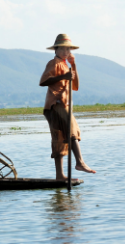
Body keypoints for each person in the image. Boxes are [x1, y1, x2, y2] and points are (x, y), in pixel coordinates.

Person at [39, 34, 96, 180]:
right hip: (55, 104)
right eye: (63, 49)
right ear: (56, 50)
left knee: (61, 138)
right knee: (72, 131)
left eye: (68, 49)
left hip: (63, 105)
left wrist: (73, 65)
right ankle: (80, 162)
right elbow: (43, 81)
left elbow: (75, 85)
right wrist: (62, 77)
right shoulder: (54, 63)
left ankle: (60, 176)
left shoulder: (66, 65)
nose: (66, 52)